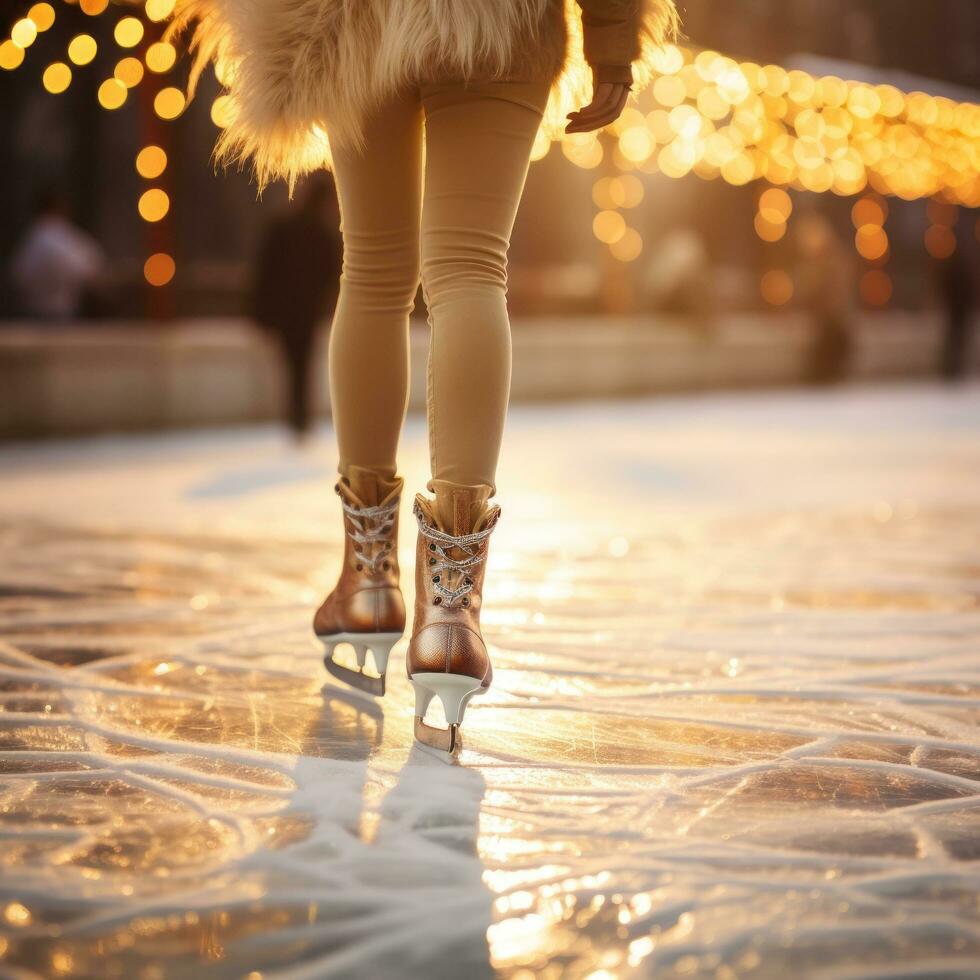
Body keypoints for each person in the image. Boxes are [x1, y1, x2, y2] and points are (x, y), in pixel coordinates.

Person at [173, 0, 677, 754]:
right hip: (501, 17)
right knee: (472, 271)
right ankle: (451, 610)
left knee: (372, 273)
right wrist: (611, 38)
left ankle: (368, 579)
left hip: (354, 17)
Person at [251, 173, 343, 438]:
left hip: (286, 311)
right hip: (307, 311)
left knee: (293, 362)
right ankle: (300, 415)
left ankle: (297, 414)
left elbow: (266, 272)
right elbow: (331, 273)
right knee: (302, 362)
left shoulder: (283, 227)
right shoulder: (322, 234)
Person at [9, 189, 105, 320]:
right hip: (60, 309)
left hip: (39, 308)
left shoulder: (32, 239)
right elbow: (91, 269)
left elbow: (19, 274)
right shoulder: (59, 237)